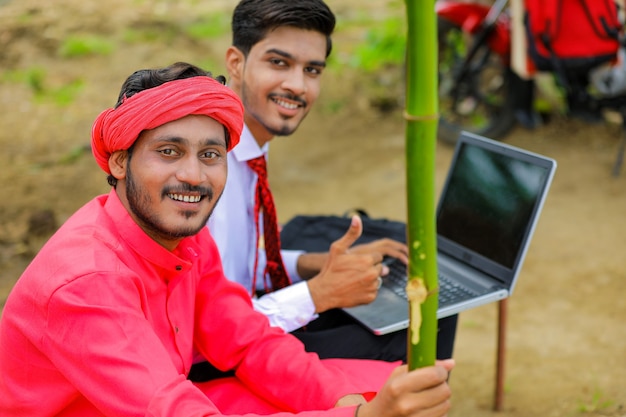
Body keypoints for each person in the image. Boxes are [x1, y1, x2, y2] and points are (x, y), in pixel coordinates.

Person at [0, 62, 454, 416]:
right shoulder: (87, 282)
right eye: (169, 151)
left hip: (165, 400)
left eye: (211, 155)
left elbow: (247, 341)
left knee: (384, 387)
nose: (193, 176)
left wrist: (342, 400)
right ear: (120, 162)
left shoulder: (185, 240)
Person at [203, 0, 458, 366]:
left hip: (244, 318)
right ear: (235, 63)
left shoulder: (250, 144)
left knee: (412, 303)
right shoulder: (208, 167)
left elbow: (237, 266)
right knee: (423, 325)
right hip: (215, 356)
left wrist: (320, 264)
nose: (297, 85)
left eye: (312, 70)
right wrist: (319, 293)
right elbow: (212, 328)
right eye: (279, 63)